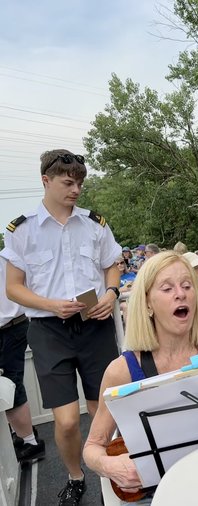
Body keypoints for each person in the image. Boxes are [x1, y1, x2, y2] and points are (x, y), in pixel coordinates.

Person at [1, 149, 122, 506]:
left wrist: (112, 292)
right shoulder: (21, 230)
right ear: (46, 181)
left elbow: (112, 265)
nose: (76, 190)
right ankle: (75, 475)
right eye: (68, 183)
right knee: (68, 421)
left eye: (80, 183)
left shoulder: (95, 225)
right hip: (49, 330)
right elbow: (13, 287)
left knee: (105, 409)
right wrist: (50, 304)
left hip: (94, 326)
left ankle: (110, 470)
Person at [83, 251, 198, 504]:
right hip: (156, 495)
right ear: (147, 304)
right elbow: (92, 447)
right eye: (167, 288)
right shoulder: (121, 371)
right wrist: (110, 466)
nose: (181, 293)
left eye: (187, 286)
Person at [0, 254, 45, 463]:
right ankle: (25, 435)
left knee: (9, 385)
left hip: (8, 329)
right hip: (16, 324)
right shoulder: (7, 258)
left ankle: (30, 443)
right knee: (11, 382)